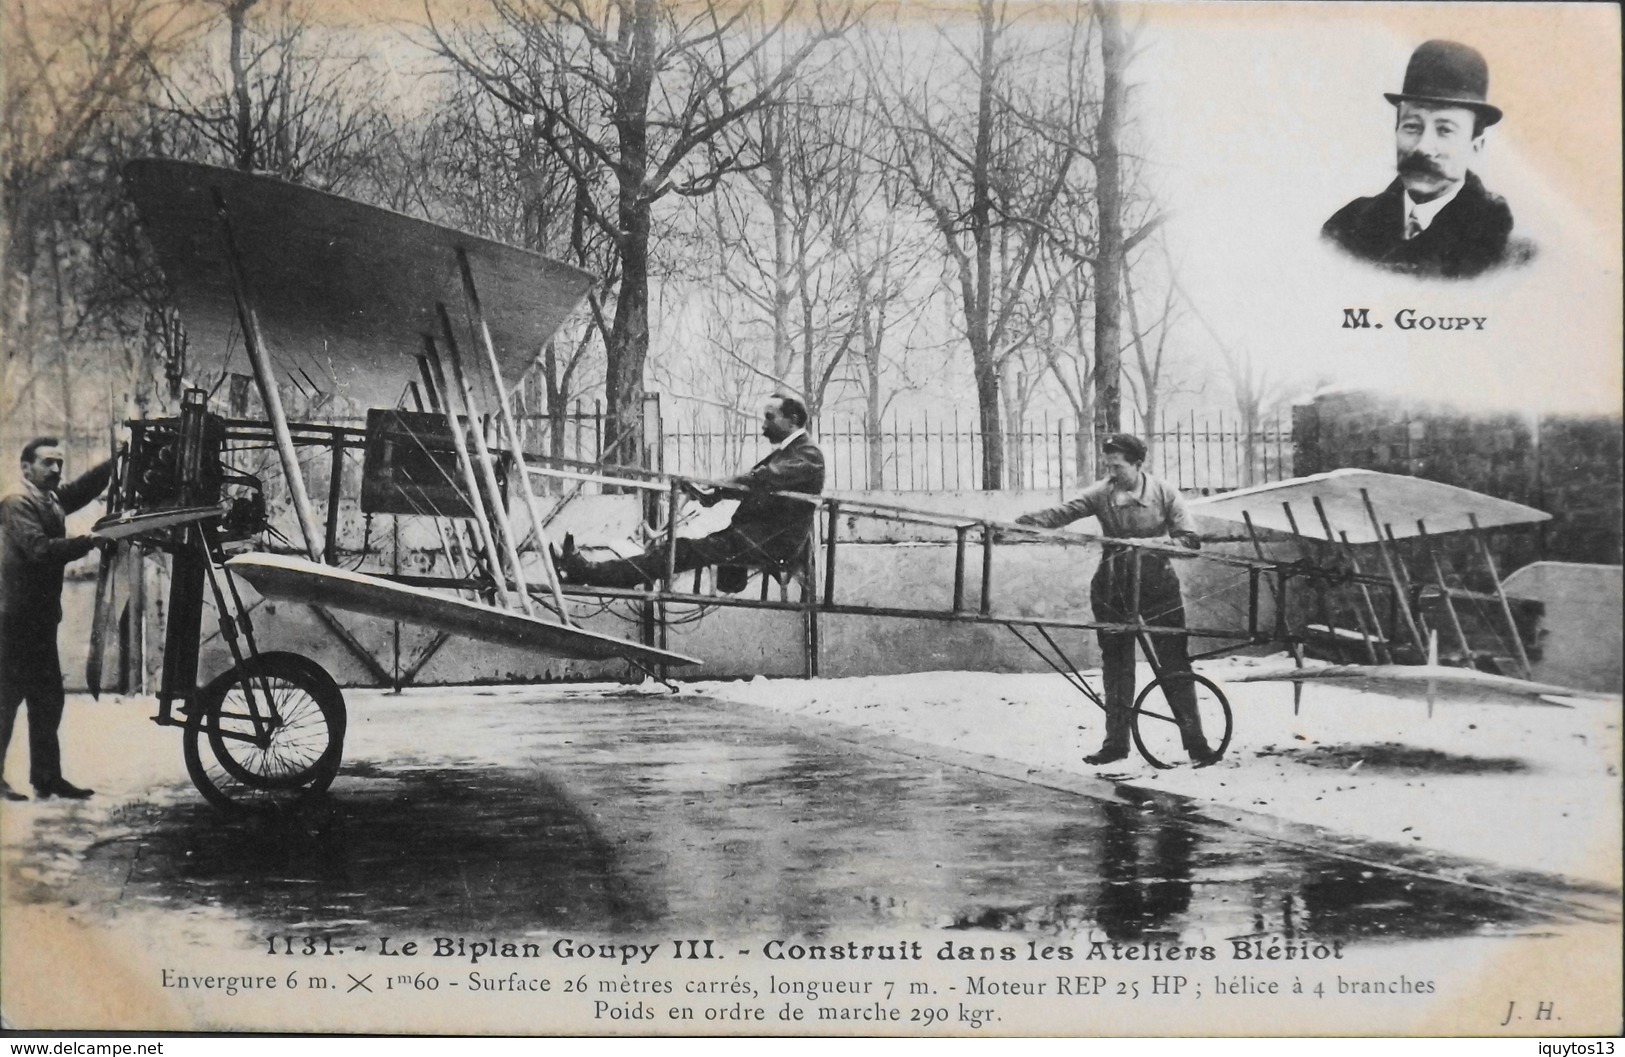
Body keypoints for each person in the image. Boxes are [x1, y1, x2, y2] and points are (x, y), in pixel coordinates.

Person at [1013, 433, 1215, 766]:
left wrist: (1144, 544)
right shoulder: (1102, 493)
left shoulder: (1165, 493)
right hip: (1112, 585)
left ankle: (1197, 743)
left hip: (1157, 585)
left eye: (1118, 465)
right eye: (1107, 465)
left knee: (1174, 662)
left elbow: (1190, 541)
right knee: (1116, 665)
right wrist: (1025, 522)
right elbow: (1064, 512)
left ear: (1138, 464)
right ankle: (1115, 743)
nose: (1111, 472)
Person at [556, 394, 824, 590]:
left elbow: (765, 478)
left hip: (769, 545)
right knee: (676, 550)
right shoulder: (791, 453)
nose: (763, 426)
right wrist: (714, 494)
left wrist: (720, 485)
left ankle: (591, 573)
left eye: (769, 417)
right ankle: (599, 574)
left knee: (679, 551)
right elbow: (759, 485)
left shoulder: (808, 454)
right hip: (754, 540)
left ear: (793, 420)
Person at [1321, 39, 1526, 279]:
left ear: (1475, 146)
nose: (1422, 147)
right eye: (1412, 126)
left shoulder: (1504, 252)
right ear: (1396, 131)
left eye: (1445, 130)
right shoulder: (1345, 228)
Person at [1, 438, 114, 801]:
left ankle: (47, 777)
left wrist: (118, 461)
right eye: (47, 462)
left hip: (37, 617)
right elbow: (38, 550)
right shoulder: (18, 500)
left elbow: (78, 490)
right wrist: (89, 542)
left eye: (58, 463)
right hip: (13, 618)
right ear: (26, 468)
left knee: (48, 698)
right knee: (6, 698)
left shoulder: (47, 498)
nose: (55, 469)